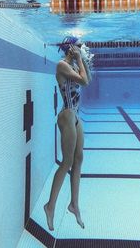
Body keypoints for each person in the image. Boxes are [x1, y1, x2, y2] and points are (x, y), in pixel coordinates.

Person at [44, 36, 93, 231]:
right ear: (70, 48)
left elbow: (87, 78)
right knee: (67, 162)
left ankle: (74, 204)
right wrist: (79, 60)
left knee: (79, 159)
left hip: (76, 116)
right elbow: (84, 82)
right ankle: (50, 206)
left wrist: (83, 60)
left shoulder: (73, 65)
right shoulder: (62, 65)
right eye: (79, 47)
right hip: (67, 115)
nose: (81, 50)